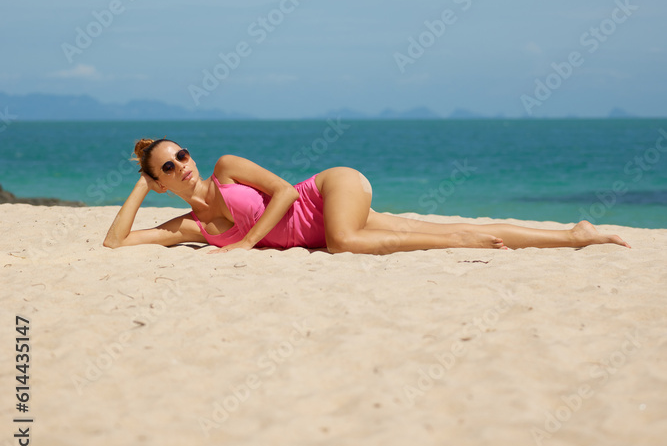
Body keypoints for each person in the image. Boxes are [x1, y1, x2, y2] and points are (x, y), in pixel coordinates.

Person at [102, 138, 631, 253]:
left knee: (344, 242)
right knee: (464, 233)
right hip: (328, 221)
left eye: (183, 155)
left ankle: (442, 244)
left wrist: (245, 245)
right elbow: (116, 244)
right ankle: (572, 234)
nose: (184, 166)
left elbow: (286, 192)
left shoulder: (226, 170)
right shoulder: (191, 228)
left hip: (330, 191)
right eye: (169, 167)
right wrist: (138, 186)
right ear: (160, 181)